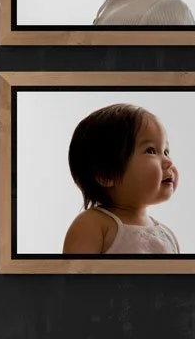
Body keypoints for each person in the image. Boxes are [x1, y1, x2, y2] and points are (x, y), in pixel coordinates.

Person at [62, 103, 180, 254]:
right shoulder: (93, 225)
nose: (169, 162)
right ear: (106, 174)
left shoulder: (167, 236)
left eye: (166, 151)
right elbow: (75, 274)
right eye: (151, 150)